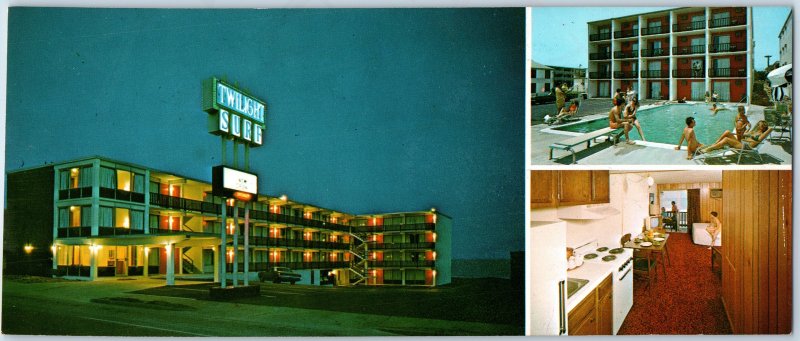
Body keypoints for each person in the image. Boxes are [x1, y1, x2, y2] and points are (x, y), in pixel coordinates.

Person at [701, 120, 773, 154]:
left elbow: (770, 129)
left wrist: (750, 136)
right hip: (741, 143)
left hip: (747, 147)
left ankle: (710, 149)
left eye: (759, 125)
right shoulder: (754, 132)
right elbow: (744, 135)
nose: (757, 125)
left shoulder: (761, 135)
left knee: (726, 139)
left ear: (763, 127)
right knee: (727, 132)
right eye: (758, 124)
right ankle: (715, 144)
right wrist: (746, 129)